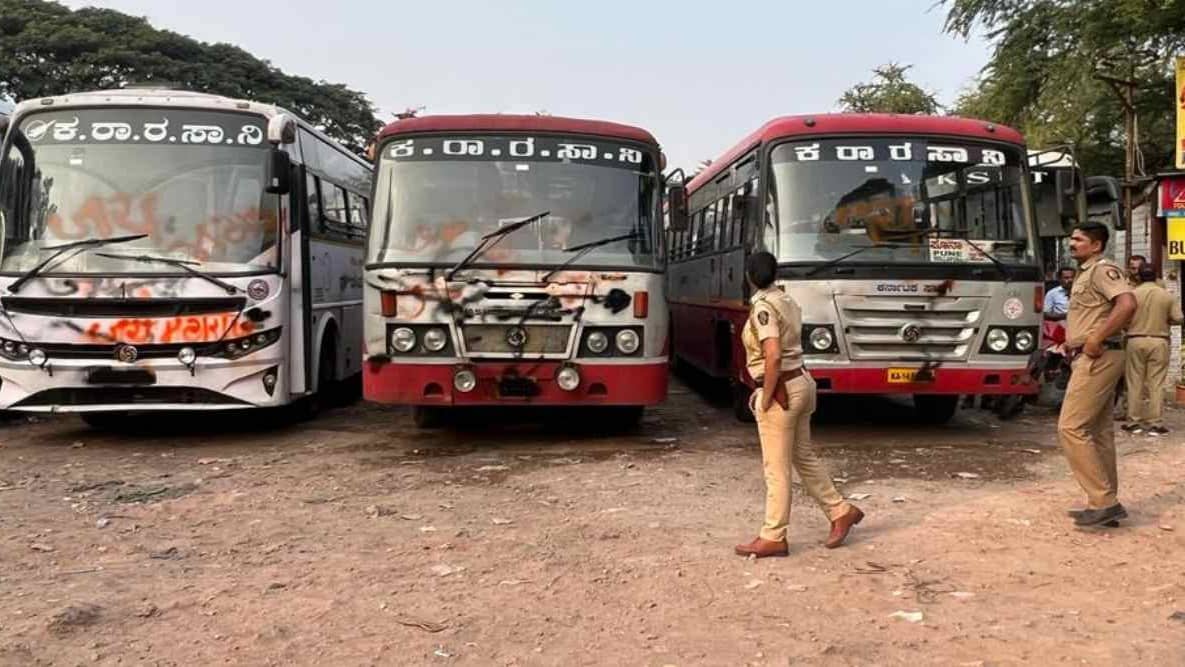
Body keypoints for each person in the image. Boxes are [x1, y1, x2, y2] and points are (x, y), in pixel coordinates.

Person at [734, 252, 863, 558]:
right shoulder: (787, 300)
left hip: (781, 390)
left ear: (749, 276)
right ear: (775, 274)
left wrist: (765, 397)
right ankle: (840, 510)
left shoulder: (763, 307)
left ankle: (773, 535)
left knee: (776, 468)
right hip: (802, 382)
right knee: (802, 457)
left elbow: (773, 355)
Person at [1058, 222, 1137, 528]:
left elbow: (1127, 303)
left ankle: (1104, 502)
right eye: (1071, 238)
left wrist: (1095, 338)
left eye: (1079, 239)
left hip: (1098, 356)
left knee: (1071, 427)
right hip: (1092, 355)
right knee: (1099, 431)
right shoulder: (1085, 273)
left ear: (1096, 245)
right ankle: (1105, 502)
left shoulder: (1103, 270)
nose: (1071, 243)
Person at [1122, 266, 1184, 436]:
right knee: (1156, 383)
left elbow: (1122, 317)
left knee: (1134, 382)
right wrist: (1165, 320)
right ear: (1156, 276)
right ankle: (1155, 424)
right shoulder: (1167, 295)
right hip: (1159, 340)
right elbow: (1179, 318)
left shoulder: (1132, 294)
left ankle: (1133, 422)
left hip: (1135, 339)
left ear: (1139, 276)